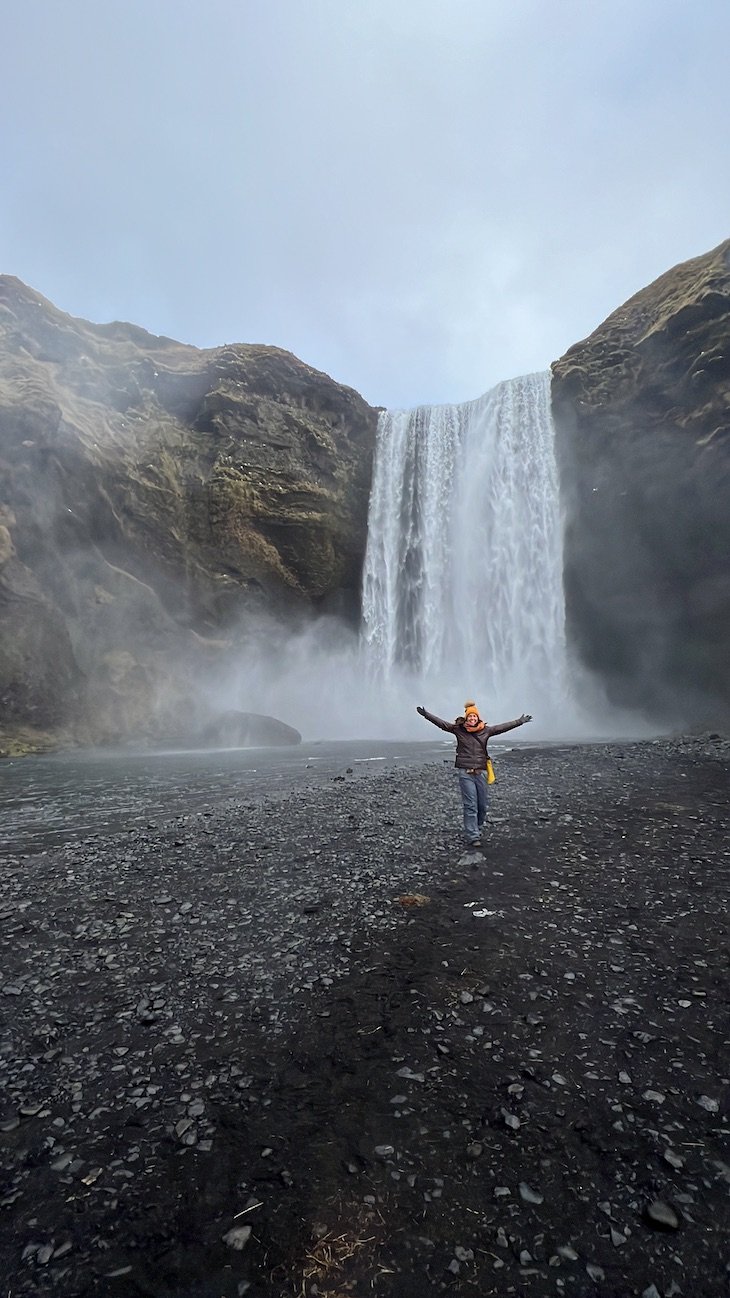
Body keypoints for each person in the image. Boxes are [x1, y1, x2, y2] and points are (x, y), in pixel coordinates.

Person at [416, 700, 532, 847]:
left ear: (478, 718)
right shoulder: (458, 730)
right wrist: (426, 714)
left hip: (481, 772)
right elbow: (442, 724)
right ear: (466, 718)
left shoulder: (486, 731)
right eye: (470, 717)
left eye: (474, 717)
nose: (472, 719)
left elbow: (502, 728)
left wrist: (519, 721)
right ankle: (473, 835)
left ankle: (477, 828)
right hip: (465, 772)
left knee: (482, 805)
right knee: (470, 805)